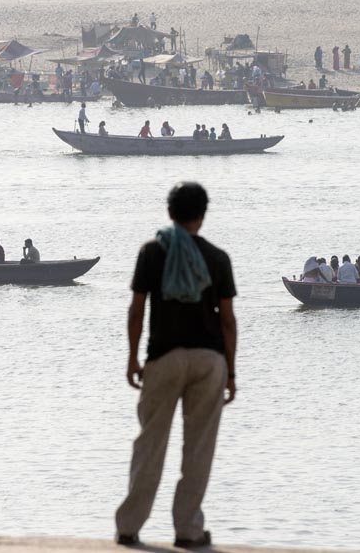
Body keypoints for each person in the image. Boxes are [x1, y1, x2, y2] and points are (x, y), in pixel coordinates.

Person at [115, 182, 237, 549]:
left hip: (163, 357)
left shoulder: (152, 252)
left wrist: (132, 357)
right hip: (209, 359)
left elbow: (137, 309)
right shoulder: (217, 257)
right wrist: (230, 371)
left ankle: (129, 526)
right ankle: (188, 529)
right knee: (198, 448)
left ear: (170, 212)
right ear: (202, 215)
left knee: (150, 443)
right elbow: (228, 321)